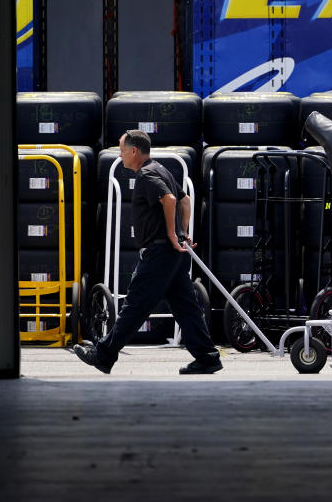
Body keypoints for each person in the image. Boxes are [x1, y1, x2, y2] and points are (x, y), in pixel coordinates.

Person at [75, 129, 222, 375]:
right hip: (172, 255)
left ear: (134, 151)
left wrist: (174, 235)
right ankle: (207, 357)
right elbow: (184, 200)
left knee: (135, 304)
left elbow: (171, 200)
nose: (120, 156)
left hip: (159, 253)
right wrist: (181, 233)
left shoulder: (146, 174)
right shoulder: (161, 168)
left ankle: (103, 355)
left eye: (122, 151)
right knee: (186, 307)